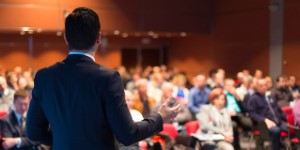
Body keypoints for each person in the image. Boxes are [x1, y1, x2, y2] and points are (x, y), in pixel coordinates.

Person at [26, 7, 180, 150]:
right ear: (98, 38)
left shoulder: (44, 77)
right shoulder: (108, 78)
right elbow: (127, 134)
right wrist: (160, 117)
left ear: (66, 38)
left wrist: (64, 140)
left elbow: (33, 133)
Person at [248, 78, 288, 150]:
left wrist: (287, 117)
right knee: (276, 130)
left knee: (291, 129)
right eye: (261, 85)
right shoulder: (253, 99)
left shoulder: (269, 96)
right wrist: (264, 120)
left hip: (278, 122)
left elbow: (278, 110)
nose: (263, 87)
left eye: (265, 85)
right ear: (257, 87)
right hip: (264, 125)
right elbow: (252, 114)